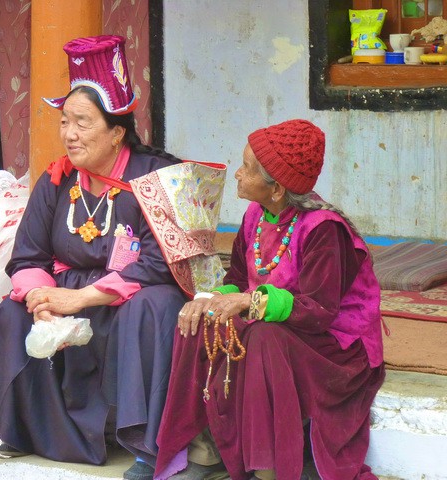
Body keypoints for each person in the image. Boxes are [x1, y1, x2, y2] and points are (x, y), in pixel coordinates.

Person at [0, 35, 186, 480]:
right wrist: (43, 300)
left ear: (117, 132)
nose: (69, 134)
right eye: (65, 122)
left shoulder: (156, 176)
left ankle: (146, 444)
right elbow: (27, 256)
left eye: (82, 122)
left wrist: (81, 300)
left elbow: (160, 264)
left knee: (153, 306)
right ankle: (34, 430)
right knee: (12, 312)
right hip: (68, 296)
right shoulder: (58, 180)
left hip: (127, 300)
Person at [154, 119, 385, 480]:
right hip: (284, 327)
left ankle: (268, 468)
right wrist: (213, 299)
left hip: (334, 346)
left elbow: (318, 311)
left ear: (276, 188)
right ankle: (207, 450)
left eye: (246, 168)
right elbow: (237, 280)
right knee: (200, 320)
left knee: (264, 336)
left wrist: (249, 303)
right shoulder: (255, 216)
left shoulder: (323, 229)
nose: (237, 174)